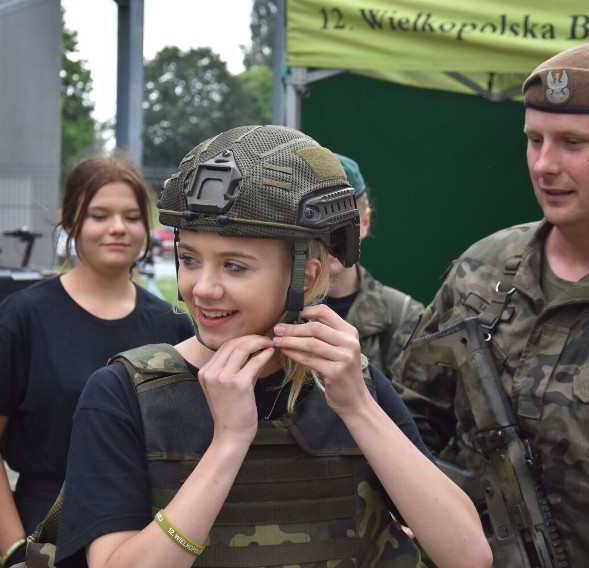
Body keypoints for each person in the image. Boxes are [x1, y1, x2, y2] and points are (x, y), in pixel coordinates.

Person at [55, 125, 491, 568]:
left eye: (234, 266)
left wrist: (359, 408)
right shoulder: (123, 395)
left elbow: (468, 555)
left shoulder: (352, 389)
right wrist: (228, 443)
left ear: (304, 275)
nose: (203, 288)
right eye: (189, 259)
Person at [393, 42, 589, 567]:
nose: (545, 164)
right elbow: (407, 420)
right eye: (535, 140)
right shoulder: (482, 270)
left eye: (573, 143)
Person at [0, 154, 194, 565]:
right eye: (99, 215)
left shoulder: (171, 324)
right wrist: (15, 551)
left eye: (132, 216)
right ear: (70, 222)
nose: (118, 228)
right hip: (47, 528)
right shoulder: (23, 317)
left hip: (149, 530)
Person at [326, 153, 424, 380]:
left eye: (344, 221)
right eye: (314, 219)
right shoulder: (275, 313)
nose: (329, 235)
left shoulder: (402, 317)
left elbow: (413, 414)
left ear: (365, 223)